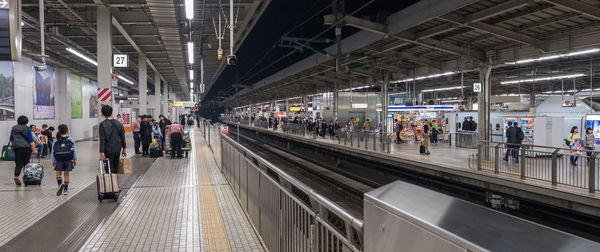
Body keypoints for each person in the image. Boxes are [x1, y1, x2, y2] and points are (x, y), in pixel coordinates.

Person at [10, 116, 38, 185]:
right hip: (26, 148)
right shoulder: (27, 129)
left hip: (17, 148)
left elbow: (11, 139)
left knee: (18, 163)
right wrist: (34, 149)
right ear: (26, 121)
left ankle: (16, 176)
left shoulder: (13, 128)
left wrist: (15, 145)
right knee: (26, 163)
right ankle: (27, 178)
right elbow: (30, 140)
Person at [99, 105, 127, 174]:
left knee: (108, 169)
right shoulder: (119, 123)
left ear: (102, 114)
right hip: (117, 149)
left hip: (108, 150)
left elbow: (102, 139)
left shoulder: (102, 124)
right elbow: (122, 137)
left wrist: (102, 152)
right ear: (111, 113)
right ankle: (114, 183)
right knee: (115, 168)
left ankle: (110, 183)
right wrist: (124, 149)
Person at [52, 124, 76, 196]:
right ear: (67, 131)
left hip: (58, 159)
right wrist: (74, 159)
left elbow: (53, 152)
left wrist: (53, 160)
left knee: (58, 173)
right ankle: (65, 189)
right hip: (68, 159)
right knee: (66, 174)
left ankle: (60, 185)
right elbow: (74, 151)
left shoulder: (56, 140)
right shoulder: (71, 139)